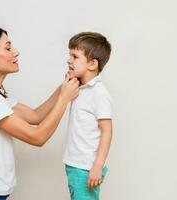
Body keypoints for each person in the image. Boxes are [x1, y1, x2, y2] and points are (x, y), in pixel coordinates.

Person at [0, 27, 79, 200]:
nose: (16, 52)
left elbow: (36, 116)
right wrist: (64, 99)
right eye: (7, 48)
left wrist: (63, 87)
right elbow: (37, 137)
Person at [63, 32, 113, 200]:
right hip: (75, 165)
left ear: (92, 64)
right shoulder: (80, 87)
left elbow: (107, 131)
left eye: (75, 56)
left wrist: (98, 166)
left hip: (86, 168)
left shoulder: (98, 92)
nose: (69, 60)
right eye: (70, 55)